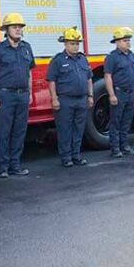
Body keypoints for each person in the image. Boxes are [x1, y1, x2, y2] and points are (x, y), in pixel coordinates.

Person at [0, 13, 35, 178]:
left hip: (22, 95)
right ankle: (3, 167)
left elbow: (29, 72)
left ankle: (15, 165)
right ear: (6, 30)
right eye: (15, 27)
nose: (18, 30)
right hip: (5, 95)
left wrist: (30, 93)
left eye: (20, 27)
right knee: (4, 132)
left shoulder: (27, 48)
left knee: (19, 132)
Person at [46, 27, 93, 167]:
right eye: (72, 43)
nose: (75, 46)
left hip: (81, 99)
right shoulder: (58, 60)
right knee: (65, 129)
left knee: (79, 129)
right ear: (65, 44)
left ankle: (76, 155)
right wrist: (54, 99)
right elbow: (51, 81)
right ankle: (66, 157)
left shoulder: (83, 59)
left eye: (77, 43)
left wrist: (90, 96)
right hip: (65, 100)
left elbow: (89, 78)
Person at [104, 27, 134, 157]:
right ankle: (115, 149)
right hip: (119, 93)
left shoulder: (131, 55)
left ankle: (125, 146)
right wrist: (112, 95)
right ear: (118, 42)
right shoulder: (112, 57)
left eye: (129, 40)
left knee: (127, 121)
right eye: (125, 40)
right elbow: (108, 76)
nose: (128, 43)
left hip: (131, 93)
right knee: (116, 121)